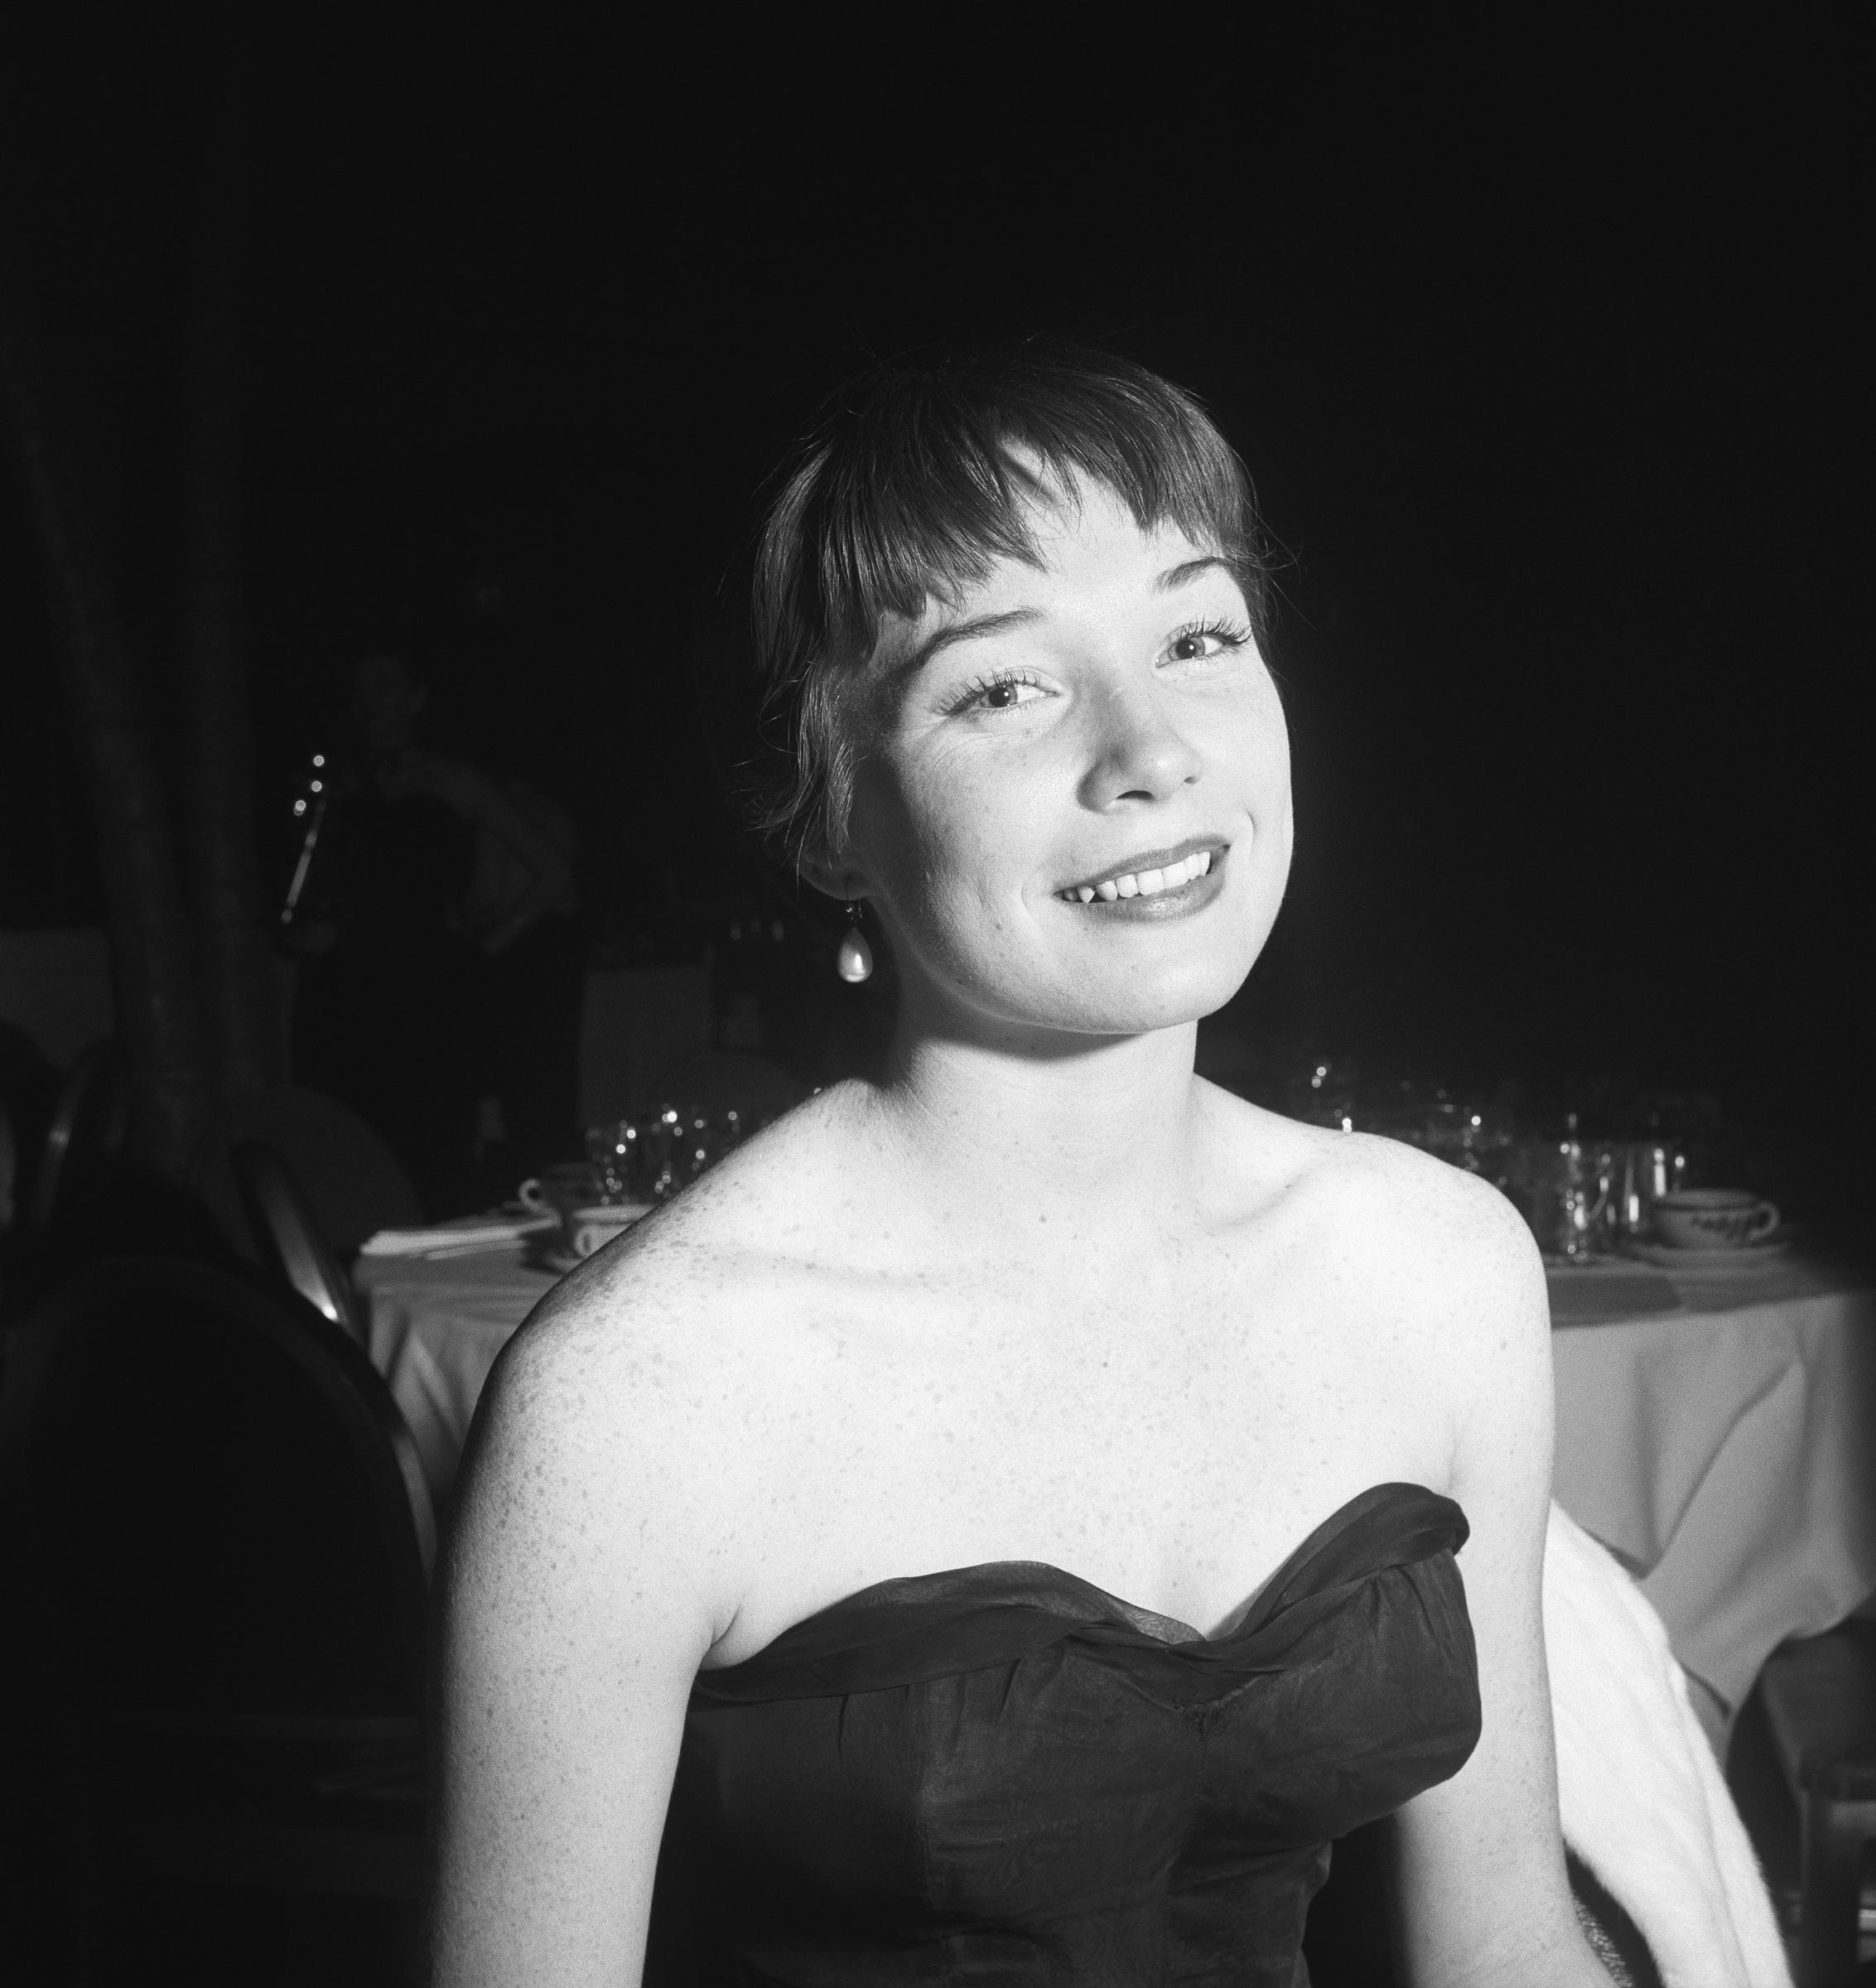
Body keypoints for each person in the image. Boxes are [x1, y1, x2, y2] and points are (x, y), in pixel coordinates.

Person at [432, 347, 1614, 1985]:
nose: (1151, 749)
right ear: (836, 815)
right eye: (1005, 685)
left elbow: (1502, 1949)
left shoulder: (1443, 1270)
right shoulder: (637, 1400)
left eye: (1197, 638)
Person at [290, 649, 576, 1210]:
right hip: (346, 989)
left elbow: (552, 872)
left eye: (382, 683)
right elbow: (312, 888)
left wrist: (485, 948)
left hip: (429, 994)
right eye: (360, 687)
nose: (367, 699)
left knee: (432, 1154)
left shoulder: (451, 779)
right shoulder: (338, 783)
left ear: (415, 697)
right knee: (349, 1153)